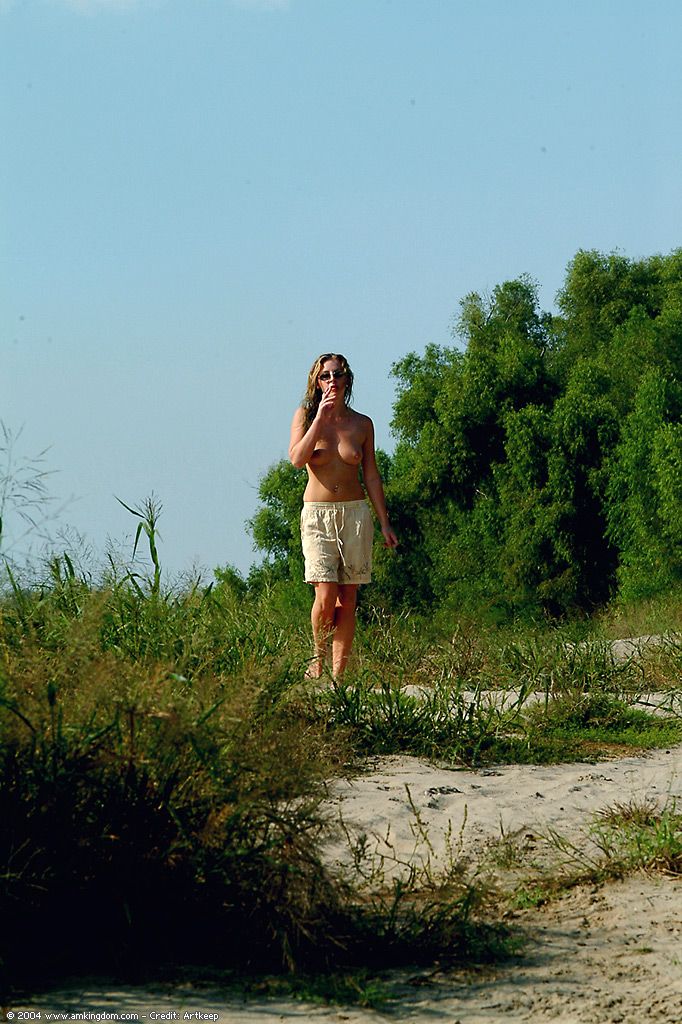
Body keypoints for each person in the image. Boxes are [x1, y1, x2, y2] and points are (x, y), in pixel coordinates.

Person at [289, 353, 399, 679]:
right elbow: (296, 459)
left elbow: (372, 475)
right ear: (316, 382)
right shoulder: (305, 416)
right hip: (318, 516)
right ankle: (317, 659)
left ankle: (339, 676)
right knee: (325, 593)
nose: (332, 381)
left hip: (354, 514)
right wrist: (319, 421)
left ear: (347, 379)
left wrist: (385, 522)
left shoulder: (362, 424)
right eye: (325, 376)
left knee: (348, 597)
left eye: (337, 375)